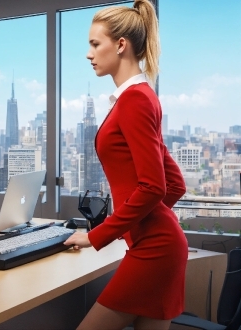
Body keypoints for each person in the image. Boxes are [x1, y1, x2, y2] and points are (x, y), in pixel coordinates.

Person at [64, 1, 188, 329]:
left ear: (120, 45)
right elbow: (175, 184)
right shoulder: (143, 96)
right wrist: (139, 223)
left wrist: (98, 235)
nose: (89, 54)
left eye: (95, 44)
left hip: (156, 249)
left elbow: (154, 186)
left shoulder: (134, 101)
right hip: (160, 242)